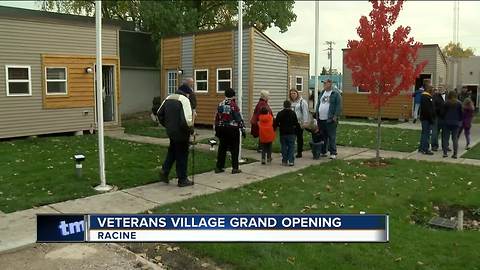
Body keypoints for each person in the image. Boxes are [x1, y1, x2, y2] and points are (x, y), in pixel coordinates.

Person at [157, 88, 194, 187]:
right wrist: (191, 131)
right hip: (181, 133)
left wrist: (166, 124)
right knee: (182, 155)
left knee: (172, 151)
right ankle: (182, 179)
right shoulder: (184, 100)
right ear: (187, 93)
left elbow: (159, 113)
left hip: (171, 131)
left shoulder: (168, 98)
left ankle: (165, 170)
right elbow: (186, 120)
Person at [214, 88, 245, 174]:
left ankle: (219, 167)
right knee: (234, 148)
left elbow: (217, 117)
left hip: (222, 128)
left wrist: (216, 128)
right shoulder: (233, 105)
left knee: (222, 148)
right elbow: (238, 118)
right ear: (233, 95)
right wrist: (242, 128)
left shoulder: (220, 104)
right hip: (232, 129)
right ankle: (235, 168)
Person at [315, 79, 342, 159]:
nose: (324, 84)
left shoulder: (335, 94)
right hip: (321, 118)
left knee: (331, 136)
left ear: (330, 84)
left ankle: (333, 152)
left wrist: (335, 116)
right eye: (323, 83)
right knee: (323, 136)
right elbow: (319, 103)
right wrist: (317, 113)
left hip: (330, 119)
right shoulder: (322, 93)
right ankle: (323, 151)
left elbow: (338, 106)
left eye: (325, 83)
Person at [275, 100, 298, 166]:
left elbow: (276, 123)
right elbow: (296, 123)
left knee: (284, 147)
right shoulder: (293, 113)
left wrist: (278, 126)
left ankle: (284, 161)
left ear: (283, 105)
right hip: (291, 133)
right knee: (291, 147)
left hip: (283, 133)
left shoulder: (280, 113)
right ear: (290, 105)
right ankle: (291, 161)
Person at [289, 88, 309, 158]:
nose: (293, 95)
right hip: (291, 123)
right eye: (291, 94)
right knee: (292, 137)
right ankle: (292, 150)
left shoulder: (302, 102)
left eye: (294, 93)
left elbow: (305, 112)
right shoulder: (290, 102)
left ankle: (299, 152)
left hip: (299, 122)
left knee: (299, 137)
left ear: (297, 94)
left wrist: (305, 122)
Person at [441, 91, 463, 159]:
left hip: (446, 122)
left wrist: (443, 118)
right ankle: (455, 154)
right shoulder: (459, 103)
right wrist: (459, 120)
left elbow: (442, 113)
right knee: (455, 138)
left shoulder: (446, 103)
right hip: (456, 122)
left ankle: (445, 153)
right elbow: (461, 113)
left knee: (445, 138)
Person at [418, 85, 435, 155]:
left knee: (424, 133)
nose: (432, 89)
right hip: (427, 119)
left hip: (425, 118)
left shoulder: (426, 96)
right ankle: (425, 148)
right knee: (426, 134)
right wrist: (431, 119)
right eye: (431, 88)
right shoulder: (426, 97)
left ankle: (421, 147)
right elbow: (428, 110)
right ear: (427, 89)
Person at [431, 86, 446, 151]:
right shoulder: (435, 96)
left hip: (445, 118)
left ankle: (445, 146)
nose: (440, 89)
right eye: (439, 88)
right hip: (437, 117)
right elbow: (433, 106)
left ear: (445, 89)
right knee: (435, 132)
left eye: (441, 87)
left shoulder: (448, 96)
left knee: (445, 133)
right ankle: (434, 145)